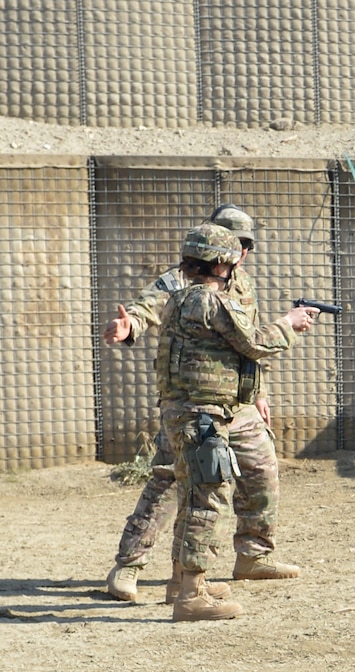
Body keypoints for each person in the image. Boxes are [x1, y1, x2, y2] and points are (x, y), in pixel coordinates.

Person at [102, 204, 299, 603]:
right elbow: (145, 310)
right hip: (195, 403)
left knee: (261, 468)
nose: (241, 252)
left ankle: (253, 554)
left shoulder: (239, 283)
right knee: (167, 480)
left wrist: (258, 394)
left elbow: (240, 345)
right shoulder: (182, 280)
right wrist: (129, 328)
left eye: (246, 244)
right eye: (234, 243)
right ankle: (129, 565)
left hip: (237, 403)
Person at [157, 223, 316, 622]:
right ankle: (191, 597)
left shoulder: (179, 299)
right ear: (223, 263)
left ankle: (182, 582)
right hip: (203, 417)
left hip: (190, 413)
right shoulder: (213, 303)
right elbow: (254, 344)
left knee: (195, 494)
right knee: (205, 499)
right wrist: (290, 324)